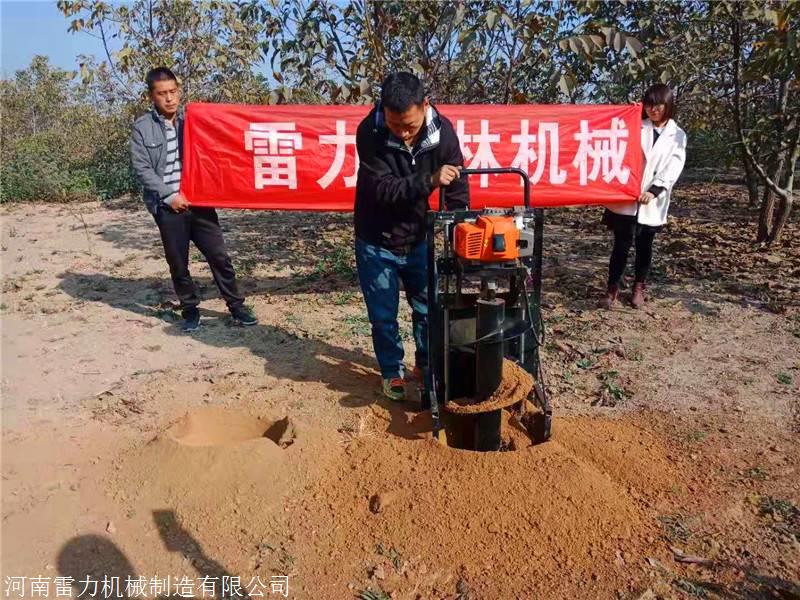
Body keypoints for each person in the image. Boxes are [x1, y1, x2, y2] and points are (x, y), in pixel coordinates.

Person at [354, 72, 469, 401]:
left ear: (425, 106)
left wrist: (459, 228)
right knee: (383, 315)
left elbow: (458, 185)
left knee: (426, 307)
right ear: (383, 111)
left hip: (418, 236)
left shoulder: (443, 134)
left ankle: (425, 363)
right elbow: (385, 190)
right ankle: (392, 371)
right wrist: (430, 180)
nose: (402, 132)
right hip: (376, 239)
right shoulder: (370, 132)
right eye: (395, 124)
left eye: (409, 125)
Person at [130, 67, 257, 332]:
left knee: (219, 256)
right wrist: (169, 196)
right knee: (178, 262)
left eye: (173, 92)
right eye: (162, 93)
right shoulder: (142, 128)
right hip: (168, 206)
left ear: (179, 91)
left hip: (200, 201)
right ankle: (190, 310)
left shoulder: (196, 120)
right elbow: (142, 169)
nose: (169, 98)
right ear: (151, 96)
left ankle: (236, 306)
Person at [599, 83, 687, 309]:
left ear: (668, 106)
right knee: (620, 246)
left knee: (644, 247)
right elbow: (611, 137)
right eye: (649, 104)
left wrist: (655, 190)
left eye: (658, 105)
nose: (653, 109)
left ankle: (639, 287)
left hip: (651, 201)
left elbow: (673, 167)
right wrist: (625, 115)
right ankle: (612, 289)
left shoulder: (677, 135)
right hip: (627, 197)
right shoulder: (635, 126)